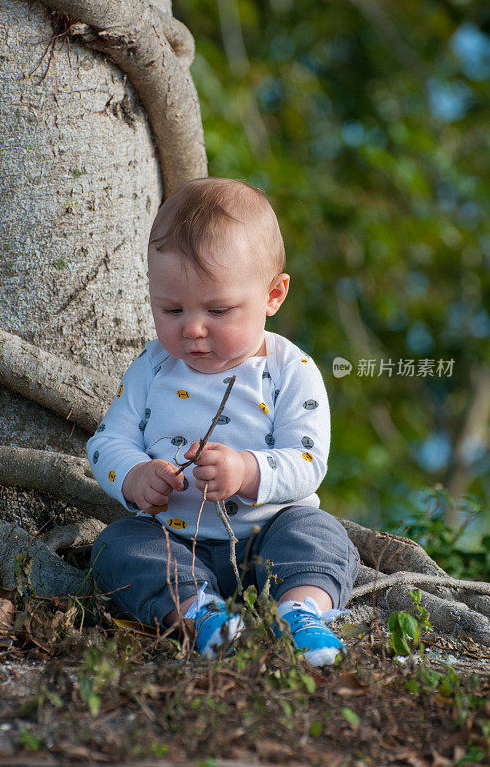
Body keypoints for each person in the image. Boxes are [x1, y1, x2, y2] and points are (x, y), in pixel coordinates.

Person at [87, 177, 361, 666]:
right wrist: (134, 475)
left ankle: (300, 613)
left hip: (268, 534)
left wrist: (246, 471)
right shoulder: (152, 367)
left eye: (218, 310)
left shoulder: (289, 370)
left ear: (273, 296)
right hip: (173, 538)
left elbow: (307, 460)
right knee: (118, 545)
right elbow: (110, 438)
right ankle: (202, 615)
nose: (192, 327)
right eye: (171, 309)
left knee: (320, 535)